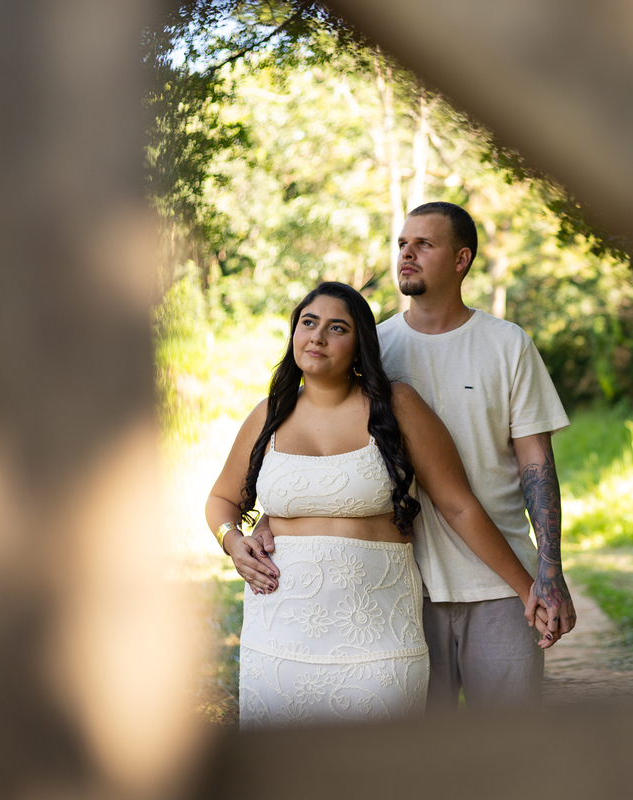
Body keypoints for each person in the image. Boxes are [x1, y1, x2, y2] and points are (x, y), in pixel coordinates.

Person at [258, 202, 577, 711]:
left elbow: (537, 465)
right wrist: (271, 519)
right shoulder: (372, 347)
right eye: (403, 243)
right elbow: (322, 439)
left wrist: (549, 572)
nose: (406, 253)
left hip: (498, 584)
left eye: (424, 244)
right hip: (400, 588)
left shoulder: (506, 344)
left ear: (461, 259)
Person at [206, 281, 550, 728]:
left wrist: (530, 590)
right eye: (308, 323)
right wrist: (231, 540)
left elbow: (458, 505)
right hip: (278, 637)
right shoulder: (268, 414)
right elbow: (220, 499)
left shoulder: (396, 407)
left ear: (360, 345)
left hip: (377, 636)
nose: (318, 337)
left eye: (337, 328)